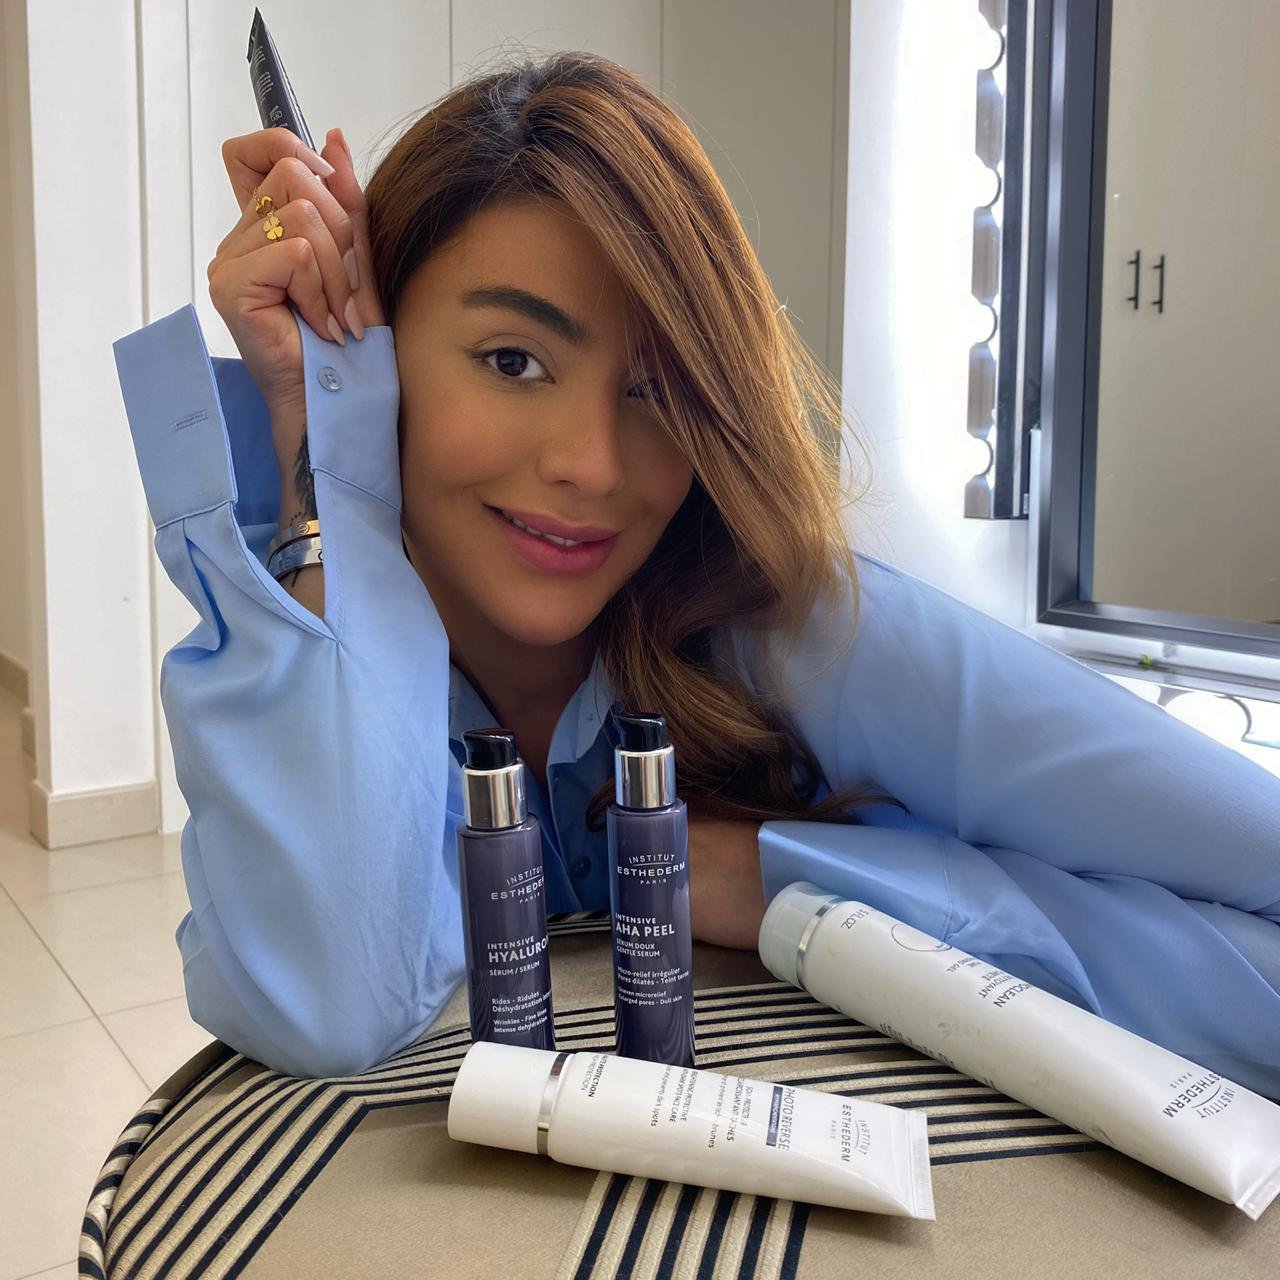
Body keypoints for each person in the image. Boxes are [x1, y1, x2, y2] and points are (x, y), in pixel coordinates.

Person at [113, 52, 1280, 1089]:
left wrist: (795, 883)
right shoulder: (305, 632)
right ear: (378, 359)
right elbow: (329, 995)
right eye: (512, 360)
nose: (591, 464)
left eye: (656, 390)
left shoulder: (812, 637)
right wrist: (324, 450)